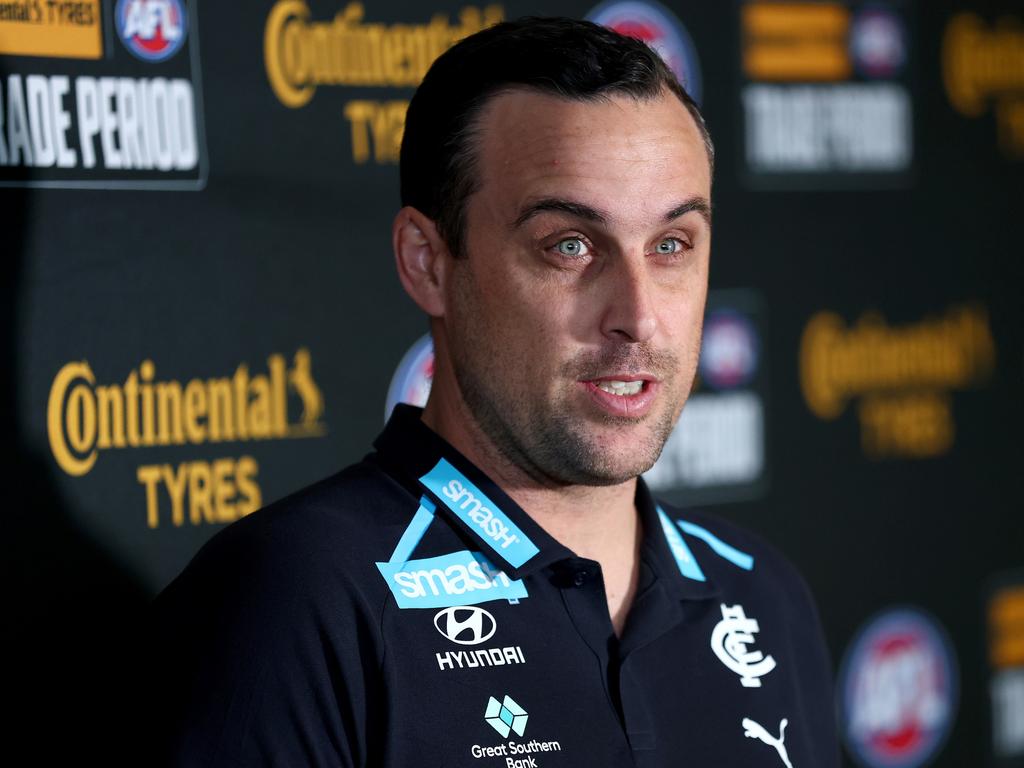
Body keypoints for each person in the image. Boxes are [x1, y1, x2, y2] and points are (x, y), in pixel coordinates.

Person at [148, 17, 839, 767]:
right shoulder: (295, 598)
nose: (638, 316)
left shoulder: (763, 594)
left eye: (671, 246)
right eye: (570, 245)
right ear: (428, 262)